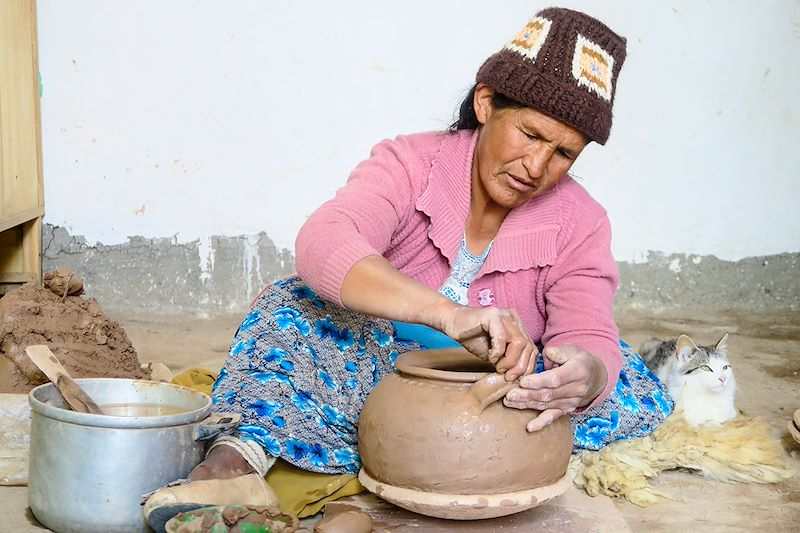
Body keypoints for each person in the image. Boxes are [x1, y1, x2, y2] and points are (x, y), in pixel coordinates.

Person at [144, 6, 672, 530]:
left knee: (617, 374)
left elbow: (588, 329)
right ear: (487, 103)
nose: (537, 167)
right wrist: (447, 314)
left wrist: (586, 371)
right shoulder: (409, 164)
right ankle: (234, 466)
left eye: (563, 154)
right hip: (369, 365)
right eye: (531, 135)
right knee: (291, 308)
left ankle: (359, 439)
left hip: (497, 386)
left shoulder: (581, 221)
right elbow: (324, 243)